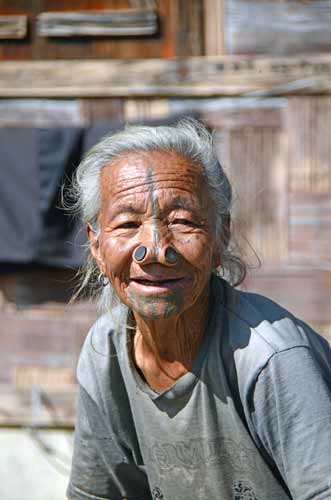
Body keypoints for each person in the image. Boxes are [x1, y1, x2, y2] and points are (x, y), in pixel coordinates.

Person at [67, 119, 331, 500]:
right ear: (96, 243)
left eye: (182, 221)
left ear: (220, 235)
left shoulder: (271, 358)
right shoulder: (104, 350)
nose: (155, 250)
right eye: (127, 223)